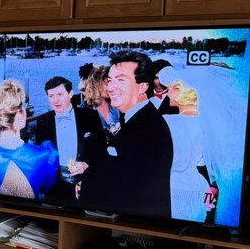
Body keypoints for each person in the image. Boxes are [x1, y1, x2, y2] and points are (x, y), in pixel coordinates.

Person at [77, 51, 173, 219]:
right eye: (110, 81)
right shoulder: (137, 118)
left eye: (121, 80)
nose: (111, 88)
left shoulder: (147, 127)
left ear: (143, 86)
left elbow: (125, 186)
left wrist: (85, 183)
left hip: (139, 227)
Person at [158, 67, 219, 223]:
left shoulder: (166, 121)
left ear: (181, 91)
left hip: (172, 186)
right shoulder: (210, 124)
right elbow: (207, 166)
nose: (166, 93)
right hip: (200, 187)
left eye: (169, 88)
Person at [33, 75, 107, 203]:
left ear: (71, 94)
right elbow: (41, 155)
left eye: (60, 94)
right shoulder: (42, 121)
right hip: (55, 187)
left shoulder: (90, 116)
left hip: (86, 183)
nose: (55, 100)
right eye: (51, 96)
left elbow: (101, 148)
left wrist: (86, 164)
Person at [78, 64, 121, 140]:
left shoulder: (118, 106)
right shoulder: (82, 113)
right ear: (96, 85)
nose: (112, 87)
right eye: (107, 83)